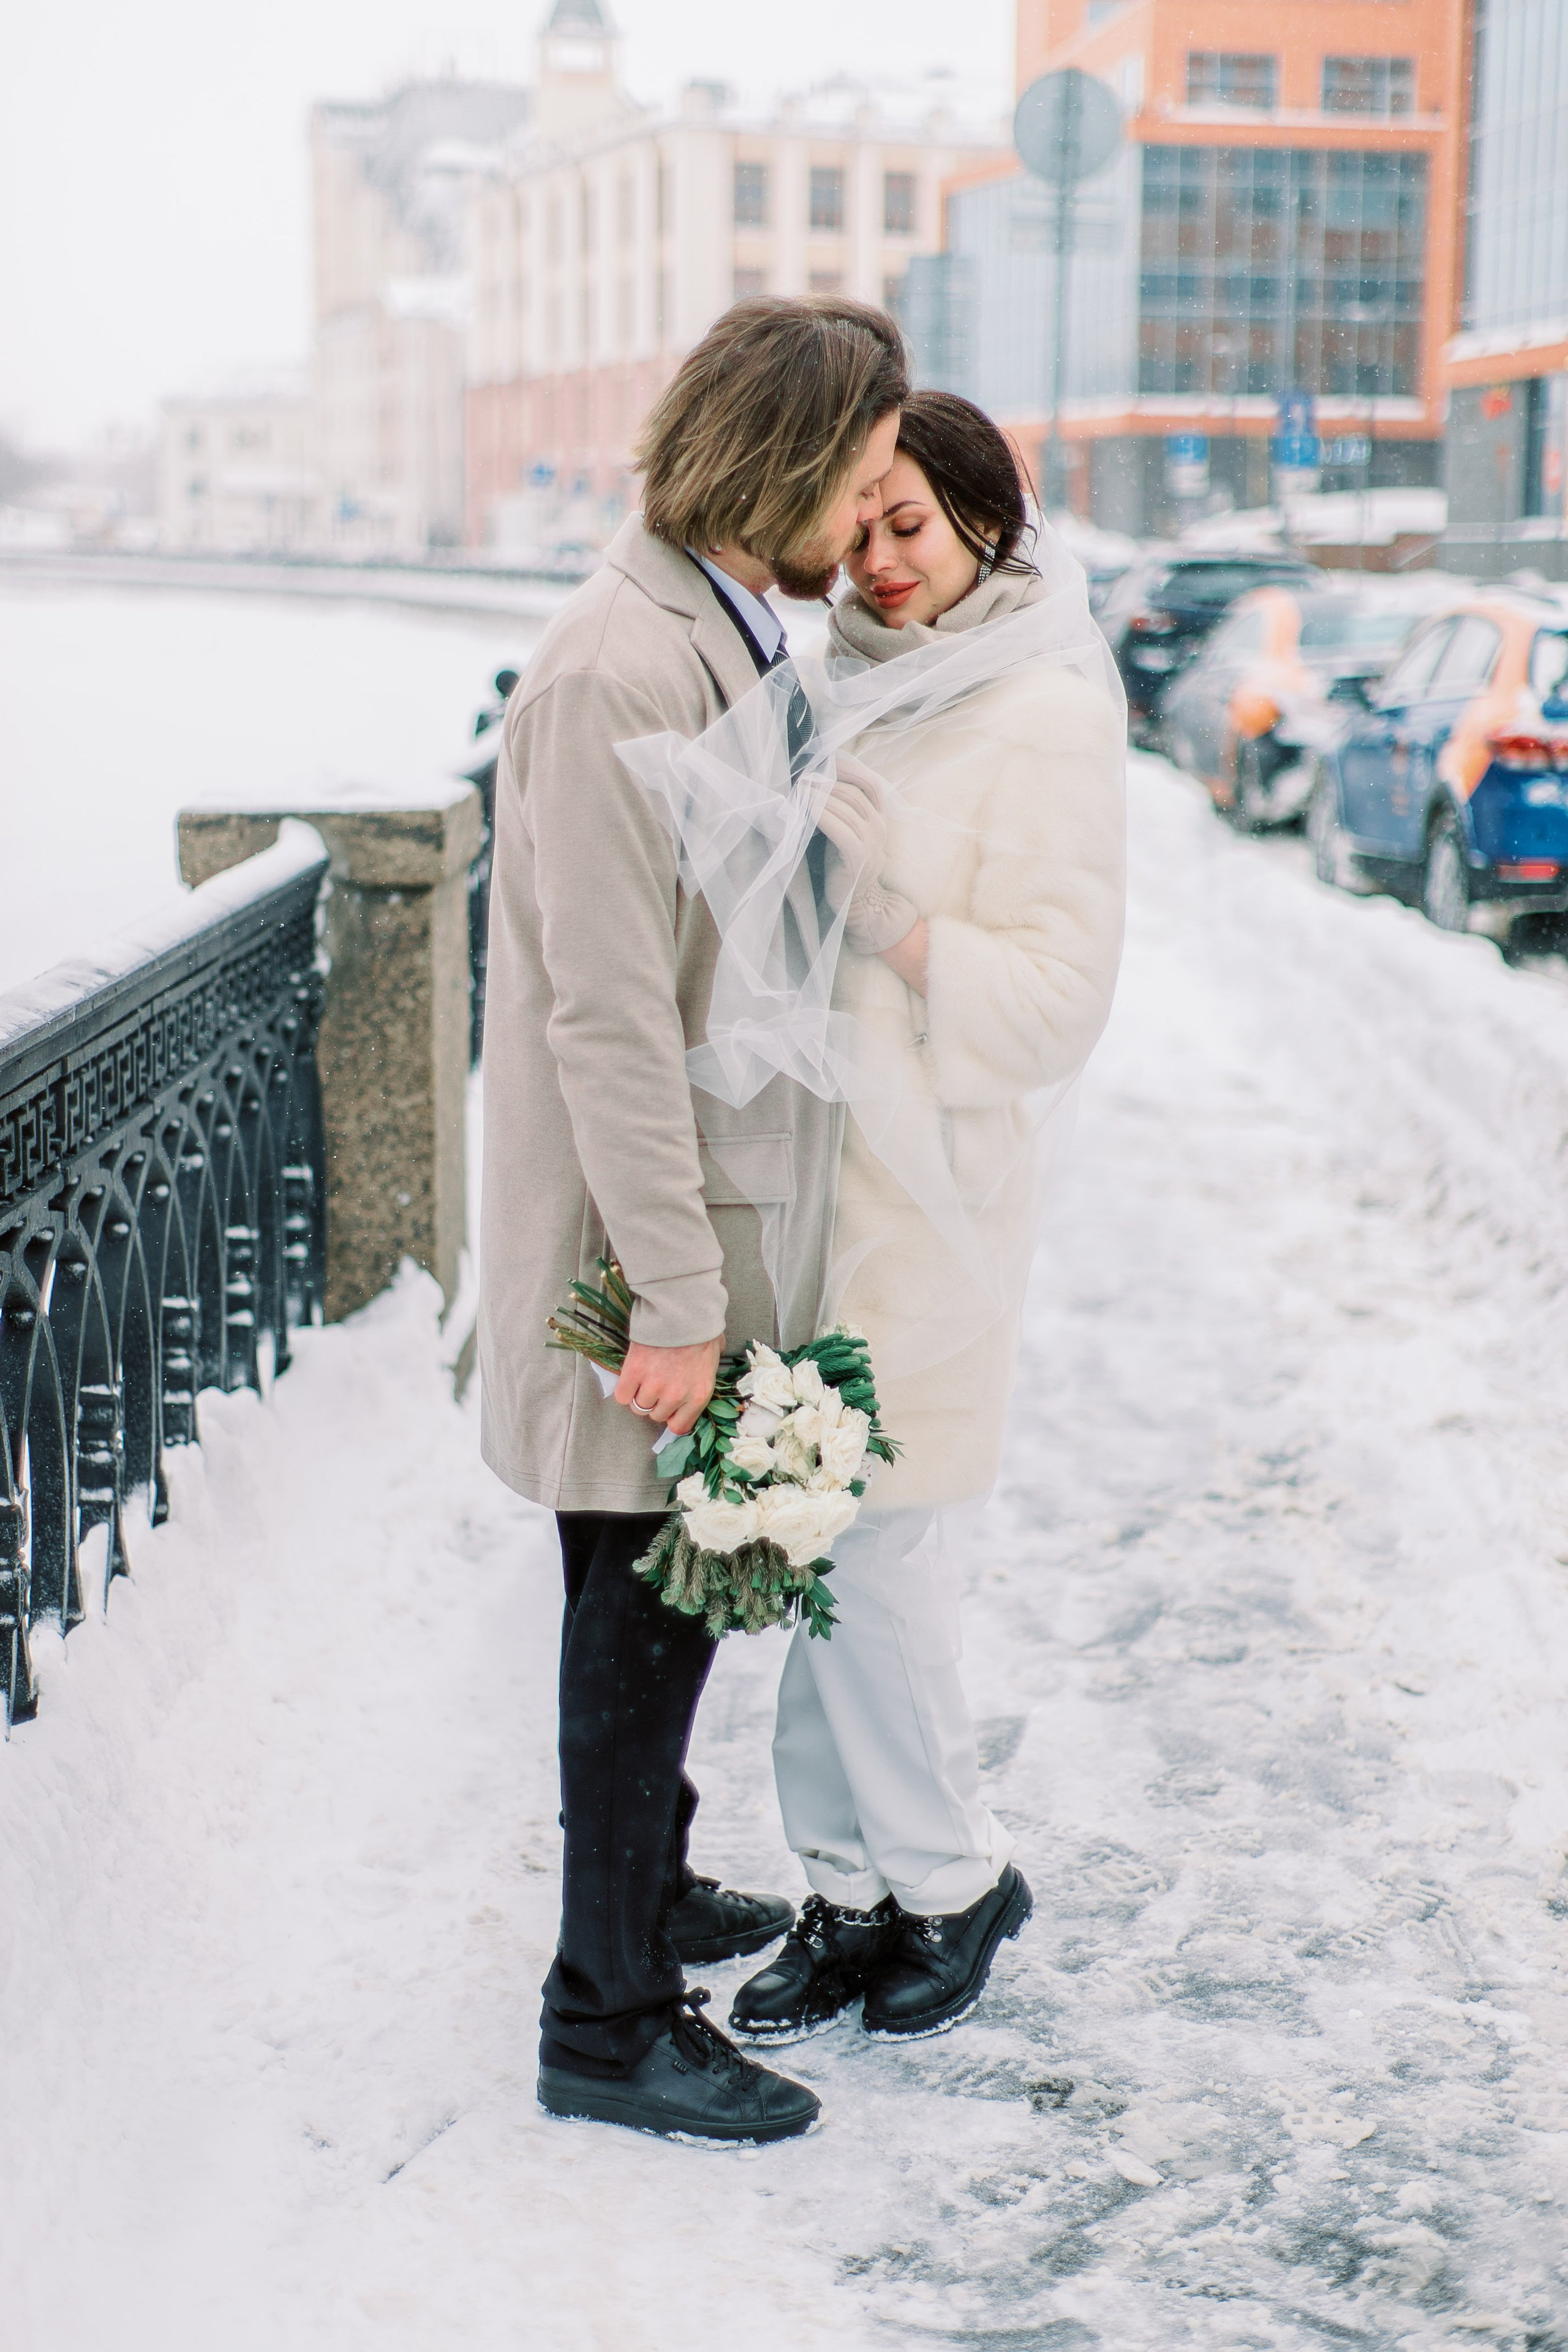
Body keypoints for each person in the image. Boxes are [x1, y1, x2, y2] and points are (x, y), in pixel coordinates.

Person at [477, 296, 907, 2144]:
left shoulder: (723, 620)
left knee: (659, 1585)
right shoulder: (614, 670)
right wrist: (670, 1292)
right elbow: (604, 1012)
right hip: (641, 1236)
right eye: (866, 476)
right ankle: (607, 2018)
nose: (877, 512)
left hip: (701, 1210)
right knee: (643, 1601)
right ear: (784, 464)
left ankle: (642, 1891)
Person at [723, 391, 1128, 2045]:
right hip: (807, 1190)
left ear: (981, 515)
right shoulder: (830, 687)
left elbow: (1058, 1003)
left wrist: (895, 922)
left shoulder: (1044, 713)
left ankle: (953, 1880)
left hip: (931, 1207)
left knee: (871, 1551)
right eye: (857, 528)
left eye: (911, 525)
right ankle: (847, 1887)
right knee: (803, 1544)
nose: (881, 562)